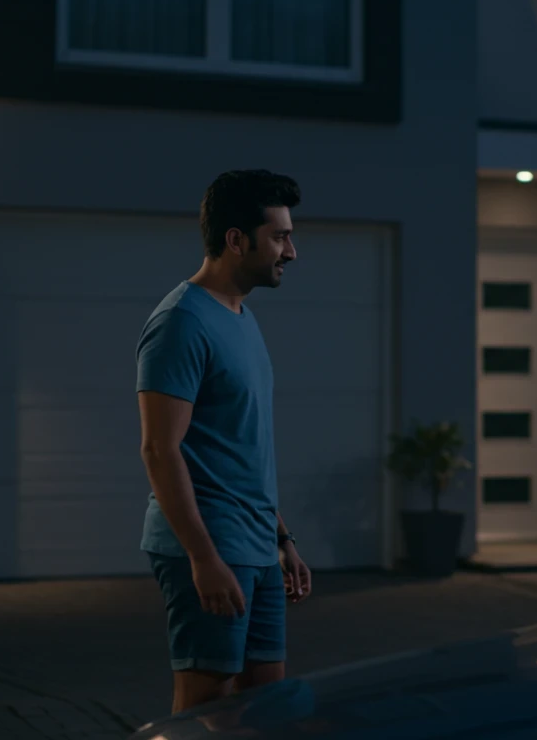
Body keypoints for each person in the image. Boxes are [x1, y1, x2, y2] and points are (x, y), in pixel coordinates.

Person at [136, 169, 312, 714]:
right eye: (279, 237)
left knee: (266, 700)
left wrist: (282, 537)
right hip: (212, 544)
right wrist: (203, 557)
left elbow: (239, 447)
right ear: (236, 239)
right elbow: (159, 449)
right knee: (204, 707)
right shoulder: (181, 322)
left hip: (257, 544)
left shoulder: (241, 317)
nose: (291, 252)